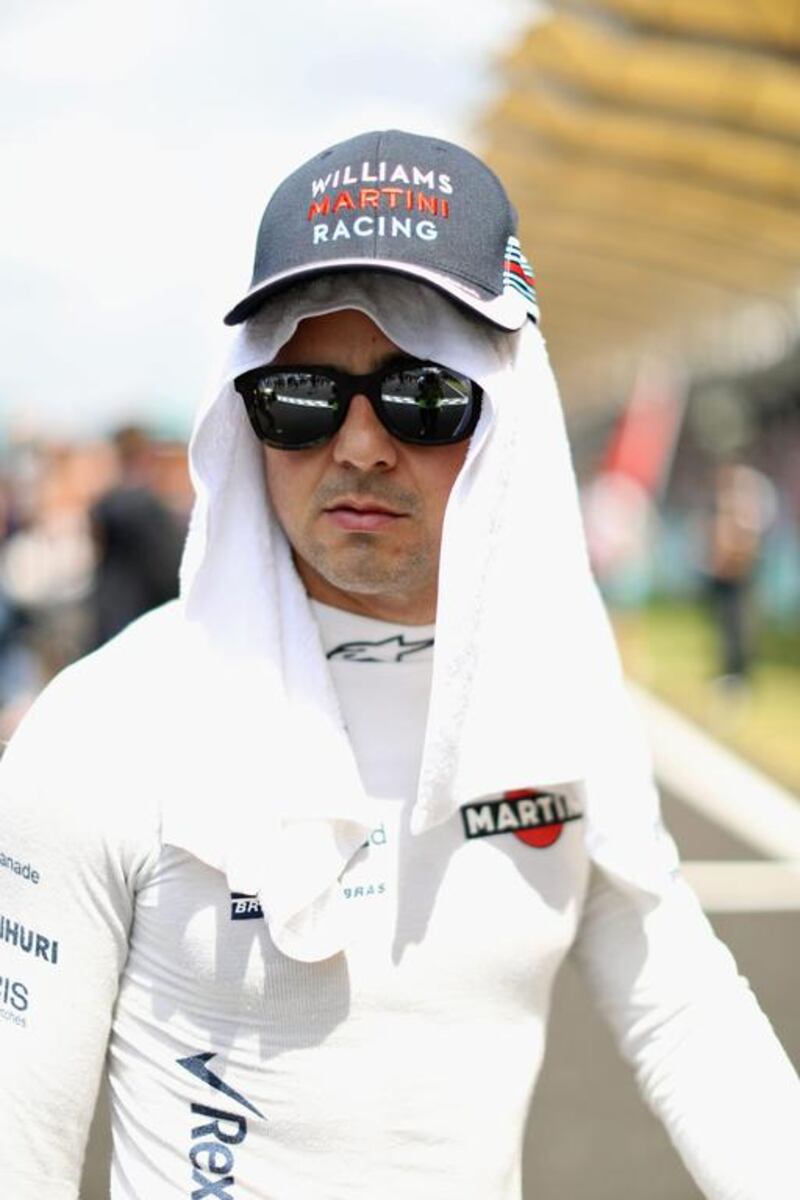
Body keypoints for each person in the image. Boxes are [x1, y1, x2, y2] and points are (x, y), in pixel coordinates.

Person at [1, 130, 798, 1200]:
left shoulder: (558, 696)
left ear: (505, 414)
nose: (361, 445)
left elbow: (681, 1011)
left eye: (422, 393)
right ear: (245, 417)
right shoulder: (106, 729)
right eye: (301, 396)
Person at [86, 425, 185, 650]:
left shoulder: (104, 506)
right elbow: (170, 573)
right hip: (141, 622)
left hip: (110, 621)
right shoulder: (144, 507)